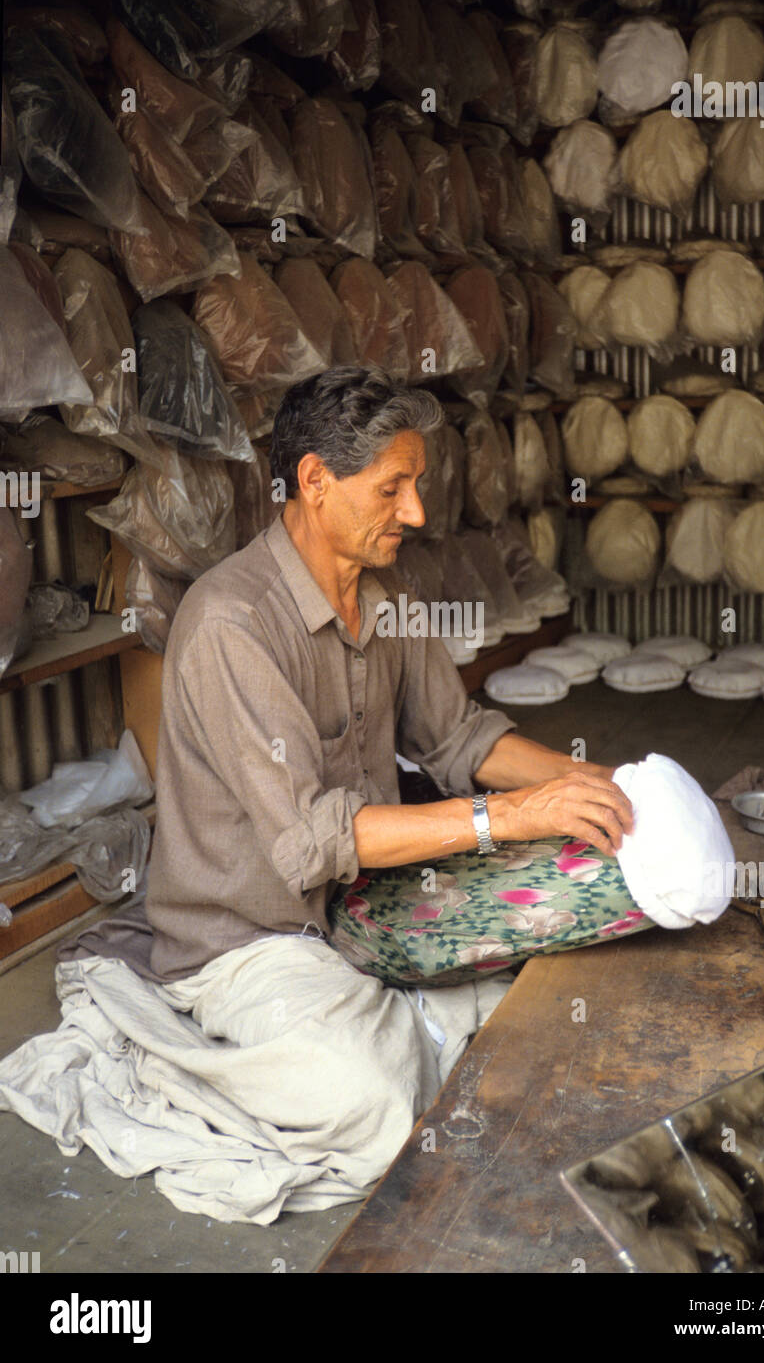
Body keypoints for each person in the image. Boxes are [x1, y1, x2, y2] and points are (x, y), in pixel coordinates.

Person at [144, 364, 634, 982]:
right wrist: (512, 813)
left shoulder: (388, 593)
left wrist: (604, 782)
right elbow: (313, 837)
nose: (418, 512)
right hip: (248, 943)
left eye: (417, 485)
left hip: (367, 899)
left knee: (593, 895)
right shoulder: (231, 623)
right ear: (315, 479)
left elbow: (458, 738)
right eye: (392, 488)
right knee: (384, 1075)